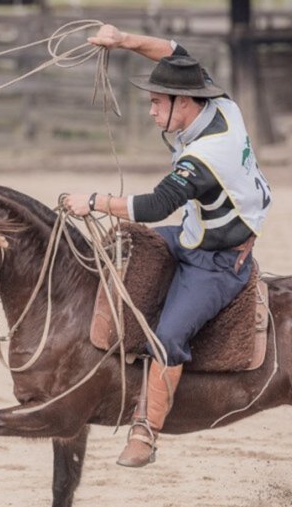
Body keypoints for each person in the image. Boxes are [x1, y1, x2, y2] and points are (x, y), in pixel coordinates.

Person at [63, 24, 272, 468]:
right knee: (125, 248)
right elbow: (173, 50)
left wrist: (94, 202)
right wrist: (122, 40)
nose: (152, 111)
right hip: (195, 231)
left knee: (169, 337)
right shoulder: (221, 104)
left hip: (216, 261)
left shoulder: (206, 158)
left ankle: (146, 431)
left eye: (157, 103)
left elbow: (157, 205)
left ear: (185, 102)